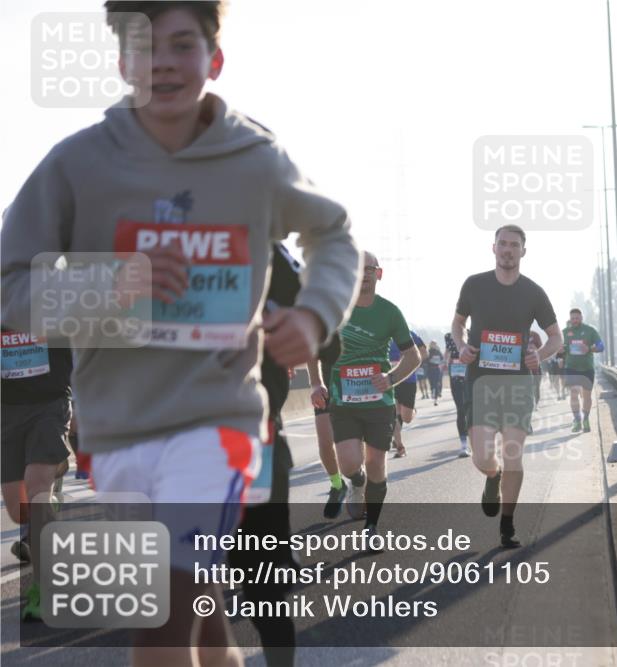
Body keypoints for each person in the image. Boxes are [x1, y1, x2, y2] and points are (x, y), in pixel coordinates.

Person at [1, 2, 360, 663]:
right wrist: (111, 285)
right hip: (117, 432)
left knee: (162, 614)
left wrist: (313, 314)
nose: (162, 62)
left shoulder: (255, 160)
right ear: (122, 63)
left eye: (181, 44)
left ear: (214, 60)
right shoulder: (76, 165)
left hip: (217, 424)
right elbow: (10, 286)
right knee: (200, 617)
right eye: (145, 47)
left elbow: (332, 232)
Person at [452, 225, 561, 548]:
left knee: (513, 455)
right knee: (483, 456)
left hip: (517, 384)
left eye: (514, 245)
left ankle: (507, 525)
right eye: (503, 244)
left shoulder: (533, 292)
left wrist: (539, 356)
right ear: (494, 248)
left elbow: (556, 337)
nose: (508, 250)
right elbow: (458, 324)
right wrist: (461, 346)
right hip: (481, 382)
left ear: (523, 251)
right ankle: (492, 475)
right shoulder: (474, 285)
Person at [227, 244, 301, 667]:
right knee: (180, 587)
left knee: (260, 589)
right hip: (172, 434)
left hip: (253, 436)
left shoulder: (265, 245)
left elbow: (322, 328)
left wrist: (307, 326)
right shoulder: (142, 235)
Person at [326, 252, 421, 540]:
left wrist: (390, 378)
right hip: (343, 402)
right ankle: (357, 482)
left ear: (378, 274)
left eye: (369, 269)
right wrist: (317, 382)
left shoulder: (390, 312)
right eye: (358, 268)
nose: (363, 274)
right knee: (348, 463)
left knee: (377, 463)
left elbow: (413, 356)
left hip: (379, 403)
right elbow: (315, 348)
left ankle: (372, 527)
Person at [1, 329, 72, 620]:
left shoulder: (54, 302)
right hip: (7, 411)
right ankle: (48, 510)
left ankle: (45, 589)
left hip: (49, 404)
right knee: (19, 512)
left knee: (37, 490)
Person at [307, 332, 346, 518]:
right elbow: (312, 349)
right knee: (325, 441)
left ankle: (358, 482)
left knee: (355, 438)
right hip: (327, 386)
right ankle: (337, 485)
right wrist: (316, 383)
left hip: (355, 384)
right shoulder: (325, 319)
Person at [562, 308, 605, 433]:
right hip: (571, 368)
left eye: (577, 318)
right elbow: (559, 348)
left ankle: (585, 418)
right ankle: (577, 420)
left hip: (587, 368)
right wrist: (559, 351)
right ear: (570, 319)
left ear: (581, 318)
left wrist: (589, 349)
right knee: (574, 393)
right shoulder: (565, 332)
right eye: (572, 318)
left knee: (587, 396)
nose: (575, 320)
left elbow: (601, 346)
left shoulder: (590, 330)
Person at [389, 331, 428, 458]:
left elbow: (424, 352)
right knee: (393, 414)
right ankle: (400, 447)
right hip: (389, 380)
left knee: (406, 418)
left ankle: (412, 411)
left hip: (407, 379)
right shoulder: (381, 333)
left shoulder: (408, 333)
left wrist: (412, 363)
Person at [444, 332, 470, 457]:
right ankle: (464, 444)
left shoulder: (473, 333)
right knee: (460, 409)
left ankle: (475, 437)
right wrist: (445, 363)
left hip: (472, 374)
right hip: (456, 374)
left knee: (472, 409)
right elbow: (447, 353)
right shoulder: (449, 336)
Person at [426, 341, 445, 405]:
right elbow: (426, 360)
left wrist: (442, 364)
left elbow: (442, 359)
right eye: (433, 344)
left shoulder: (438, 351)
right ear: (430, 345)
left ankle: (435, 399)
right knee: (432, 383)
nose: (434, 345)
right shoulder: (429, 351)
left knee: (436, 383)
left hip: (437, 369)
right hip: (430, 369)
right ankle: (432, 391)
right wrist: (430, 357)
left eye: (435, 344)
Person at [529, 330, 543, 403]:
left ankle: (536, 403)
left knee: (536, 387)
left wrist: (535, 349)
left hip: (535, 368)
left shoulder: (535, 335)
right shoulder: (518, 333)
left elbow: (542, 349)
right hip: (522, 368)